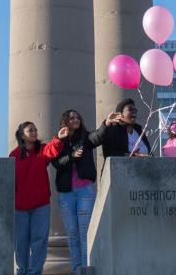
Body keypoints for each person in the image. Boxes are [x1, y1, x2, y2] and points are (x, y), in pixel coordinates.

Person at [49, 109, 106, 272]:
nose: (76, 119)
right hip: (66, 194)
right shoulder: (60, 141)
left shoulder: (85, 138)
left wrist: (106, 123)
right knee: (73, 234)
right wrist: (72, 156)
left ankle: (86, 269)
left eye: (78, 117)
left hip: (85, 192)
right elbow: (56, 162)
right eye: (72, 117)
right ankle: (76, 269)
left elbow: (99, 136)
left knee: (84, 233)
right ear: (65, 122)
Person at [10, 121, 69, 275]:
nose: (35, 132)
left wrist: (59, 138)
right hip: (20, 207)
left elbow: (52, 150)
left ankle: (35, 272)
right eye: (31, 130)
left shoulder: (42, 150)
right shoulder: (14, 155)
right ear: (22, 135)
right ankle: (22, 271)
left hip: (41, 205)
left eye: (36, 129)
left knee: (40, 241)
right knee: (21, 243)